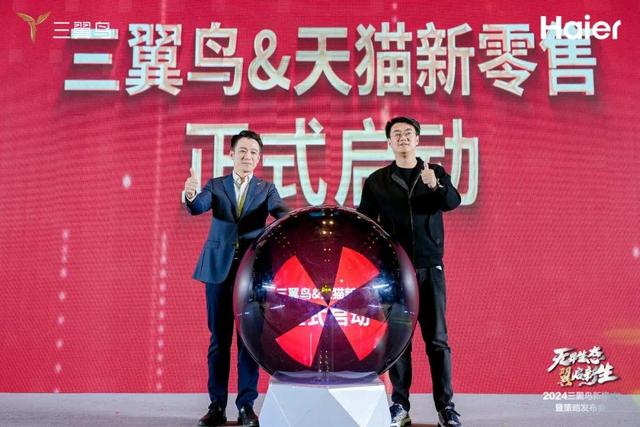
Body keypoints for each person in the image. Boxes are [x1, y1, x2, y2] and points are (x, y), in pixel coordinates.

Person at [358, 117, 463, 427]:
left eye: (408, 134)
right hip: (396, 271)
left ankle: (446, 408)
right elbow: (366, 223)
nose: (403, 138)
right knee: (400, 341)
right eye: (397, 134)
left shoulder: (434, 173)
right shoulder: (377, 181)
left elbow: (453, 202)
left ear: (417, 140)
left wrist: (437, 186)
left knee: (438, 340)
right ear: (389, 142)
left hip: (430, 268)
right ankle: (400, 406)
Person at [184, 130, 289, 427]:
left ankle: (246, 407)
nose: (247, 157)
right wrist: (190, 195)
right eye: (242, 151)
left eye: (253, 153)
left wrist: (299, 218)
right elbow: (198, 206)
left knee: (247, 342)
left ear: (259, 157)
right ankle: (216, 406)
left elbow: (281, 212)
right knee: (219, 341)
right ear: (231, 154)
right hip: (217, 271)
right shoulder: (216, 185)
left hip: (250, 274)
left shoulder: (266, 189)